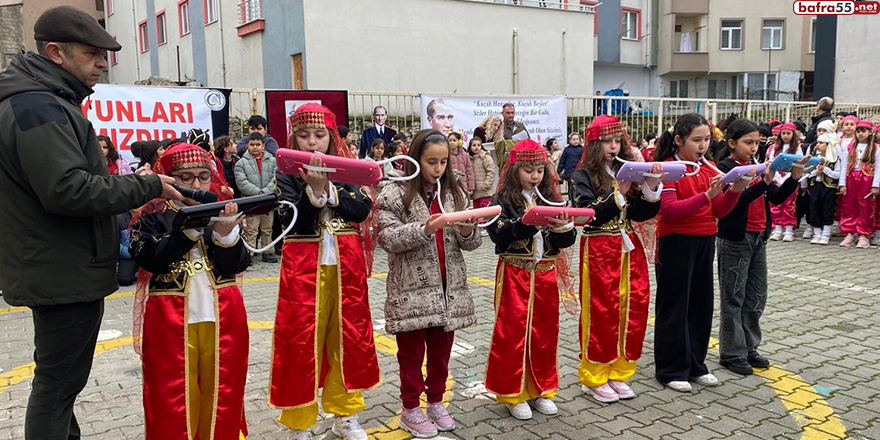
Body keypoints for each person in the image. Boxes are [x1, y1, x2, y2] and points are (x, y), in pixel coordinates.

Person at [0, 6, 182, 438]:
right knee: (57, 386)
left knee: (60, 385)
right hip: (62, 272)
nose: (103, 62)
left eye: (106, 54)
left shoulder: (41, 99)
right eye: (93, 53)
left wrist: (122, 209)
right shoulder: (38, 105)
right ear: (55, 53)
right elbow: (66, 190)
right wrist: (148, 186)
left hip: (58, 265)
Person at [271, 103, 380, 440]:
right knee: (299, 339)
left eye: (320, 135)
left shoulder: (348, 169)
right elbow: (287, 219)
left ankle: (345, 414)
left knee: (347, 337)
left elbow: (361, 208)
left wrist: (328, 191)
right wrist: (314, 193)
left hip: (346, 265)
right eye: (303, 136)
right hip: (302, 265)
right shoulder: (286, 173)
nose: (312, 143)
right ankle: (299, 421)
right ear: (294, 138)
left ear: (332, 138)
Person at [129, 143, 250, 439]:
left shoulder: (222, 212)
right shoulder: (150, 216)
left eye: (203, 176)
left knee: (223, 388)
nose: (197, 185)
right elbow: (151, 259)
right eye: (185, 178)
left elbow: (237, 265)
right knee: (170, 395)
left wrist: (226, 236)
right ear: (168, 179)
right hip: (169, 319)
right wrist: (190, 230)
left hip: (223, 314)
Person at [376, 129, 481, 438]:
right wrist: (424, 229)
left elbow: (471, 244)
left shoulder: (454, 193)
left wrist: (466, 231)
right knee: (410, 354)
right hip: (410, 292)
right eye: (431, 161)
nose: (437, 169)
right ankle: (410, 408)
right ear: (414, 159)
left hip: (449, 290)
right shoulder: (394, 193)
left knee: (441, 352)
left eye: (443, 162)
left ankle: (435, 401)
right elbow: (386, 237)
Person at [571, 115, 663, 403]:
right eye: (608, 142)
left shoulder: (628, 169)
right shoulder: (583, 175)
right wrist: (618, 193)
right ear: (596, 145)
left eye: (617, 141)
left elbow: (639, 214)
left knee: (633, 306)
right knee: (601, 310)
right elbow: (586, 213)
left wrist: (650, 186)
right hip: (599, 247)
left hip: (628, 246)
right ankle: (594, 375)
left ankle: (620, 371)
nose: (614, 147)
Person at [653, 113, 747, 393]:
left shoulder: (709, 168)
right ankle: (670, 368)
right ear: (679, 140)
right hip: (676, 241)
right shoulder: (668, 168)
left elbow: (718, 211)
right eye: (696, 140)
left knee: (701, 305)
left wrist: (735, 191)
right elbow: (669, 210)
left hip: (706, 239)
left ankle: (696, 363)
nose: (703, 145)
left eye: (707, 139)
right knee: (674, 306)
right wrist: (705, 196)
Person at [485, 139, 575, 420]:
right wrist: (527, 222)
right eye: (528, 170)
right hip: (515, 272)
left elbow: (566, 241)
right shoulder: (501, 200)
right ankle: (513, 393)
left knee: (545, 334)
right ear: (514, 171)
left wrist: (563, 226)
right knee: (512, 334)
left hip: (546, 274)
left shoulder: (550, 197)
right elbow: (498, 234)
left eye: (539, 170)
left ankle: (542, 389)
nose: (535, 176)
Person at [715, 119, 805, 376]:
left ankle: (749, 347)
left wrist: (794, 178)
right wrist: (762, 182)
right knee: (733, 296)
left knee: (756, 296)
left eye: (757, 143)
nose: (754, 148)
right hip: (735, 238)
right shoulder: (725, 168)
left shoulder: (756, 167)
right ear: (732, 143)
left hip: (758, 237)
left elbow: (774, 198)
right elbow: (735, 202)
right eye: (748, 142)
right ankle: (732, 353)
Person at [234, 132, 278, 263]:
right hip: (251, 201)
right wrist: (258, 193)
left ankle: (268, 251)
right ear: (247, 145)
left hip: (268, 200)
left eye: (258, 144)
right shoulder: (240, 163)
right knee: (251, 229)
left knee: (267, 228)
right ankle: (249, 253)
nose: (255, 147)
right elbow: (241, 182)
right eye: (252, 144)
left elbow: (276, 179)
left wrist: (266, 192)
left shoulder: (273, 161)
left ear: (263, 145)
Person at [838, 119, 878, 249]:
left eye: (863, 131)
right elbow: (844, 165)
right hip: (851, 178)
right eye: (859, 131)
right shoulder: (850, 147)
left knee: (866, 206)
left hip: (867, 179)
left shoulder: (875, 149)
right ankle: (850, 232)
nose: (860, 134)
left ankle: (864, 234)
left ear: (870, 132)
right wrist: (842, 183)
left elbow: (878, 168)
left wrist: (876, 185)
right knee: (849, 205)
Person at [766, 123, 802, 242]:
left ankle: (789, 229)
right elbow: (772, 164)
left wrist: (787, 179)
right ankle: (777, 228)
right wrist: (777, 179)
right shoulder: (775, 148)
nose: (786, 136)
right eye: (784, 133)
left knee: (789, 205)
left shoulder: (797, 148)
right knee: (776, 205)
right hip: (776, 178)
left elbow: (798, 164)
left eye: (788, 133)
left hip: (790, 179)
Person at [806, 132, 842, 245]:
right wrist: (815, 172)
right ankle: (817, 234)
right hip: (815, 186)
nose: (818, 145)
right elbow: (806, 172)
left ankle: (825, 234)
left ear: (828, 144)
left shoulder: (835, 159)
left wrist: (825, 170)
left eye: (821, 143)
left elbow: (837, 174)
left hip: (829, 187)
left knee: (827, 209)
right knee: (814, 208)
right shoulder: (814, 158)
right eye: (818, 142)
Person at [470, 137, 497, 211]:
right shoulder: (470, 159)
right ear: (470, 147)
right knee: (477, 215)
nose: (476, 147)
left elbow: (491, 172)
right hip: (476, 194)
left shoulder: (485, 157)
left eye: (478, 145)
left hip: (486, 193)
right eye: (474, 145)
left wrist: (486, 185)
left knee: (485, 214)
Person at [557, 132, 584, 198]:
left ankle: (579, 200)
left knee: (580, 187)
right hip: (569, 172)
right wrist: (559, 170)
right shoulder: (567, 150)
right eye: (574, 140)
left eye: (577, 139)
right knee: (571, 188)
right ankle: (571, 199)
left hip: (579, 172)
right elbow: (562, 160)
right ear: (570, 141)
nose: (576, 141)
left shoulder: (582, 149)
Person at [447, 132, 475, 196]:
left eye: (454, 140)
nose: (452, 142)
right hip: (450, 188)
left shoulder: (465, 155)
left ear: (459, 142)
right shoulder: (446, 155)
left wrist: (471, 187)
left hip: (463, 187)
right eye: (450, 140)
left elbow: (469, 171)